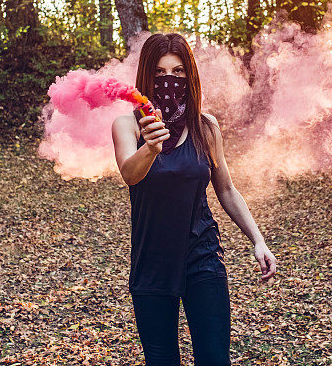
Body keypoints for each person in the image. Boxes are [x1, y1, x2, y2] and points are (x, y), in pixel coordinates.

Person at [111, 32, 277, 366]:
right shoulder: (126, 125)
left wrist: (258, 240)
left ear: (189, 76)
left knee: (215, 359)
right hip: (152, 260)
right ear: (145, 75)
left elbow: (227, 190)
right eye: (159, 72)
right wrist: (151, 147)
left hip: (202, 256)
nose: (167, 80)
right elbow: (130, 174)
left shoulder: (206, 126)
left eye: (177, 72)